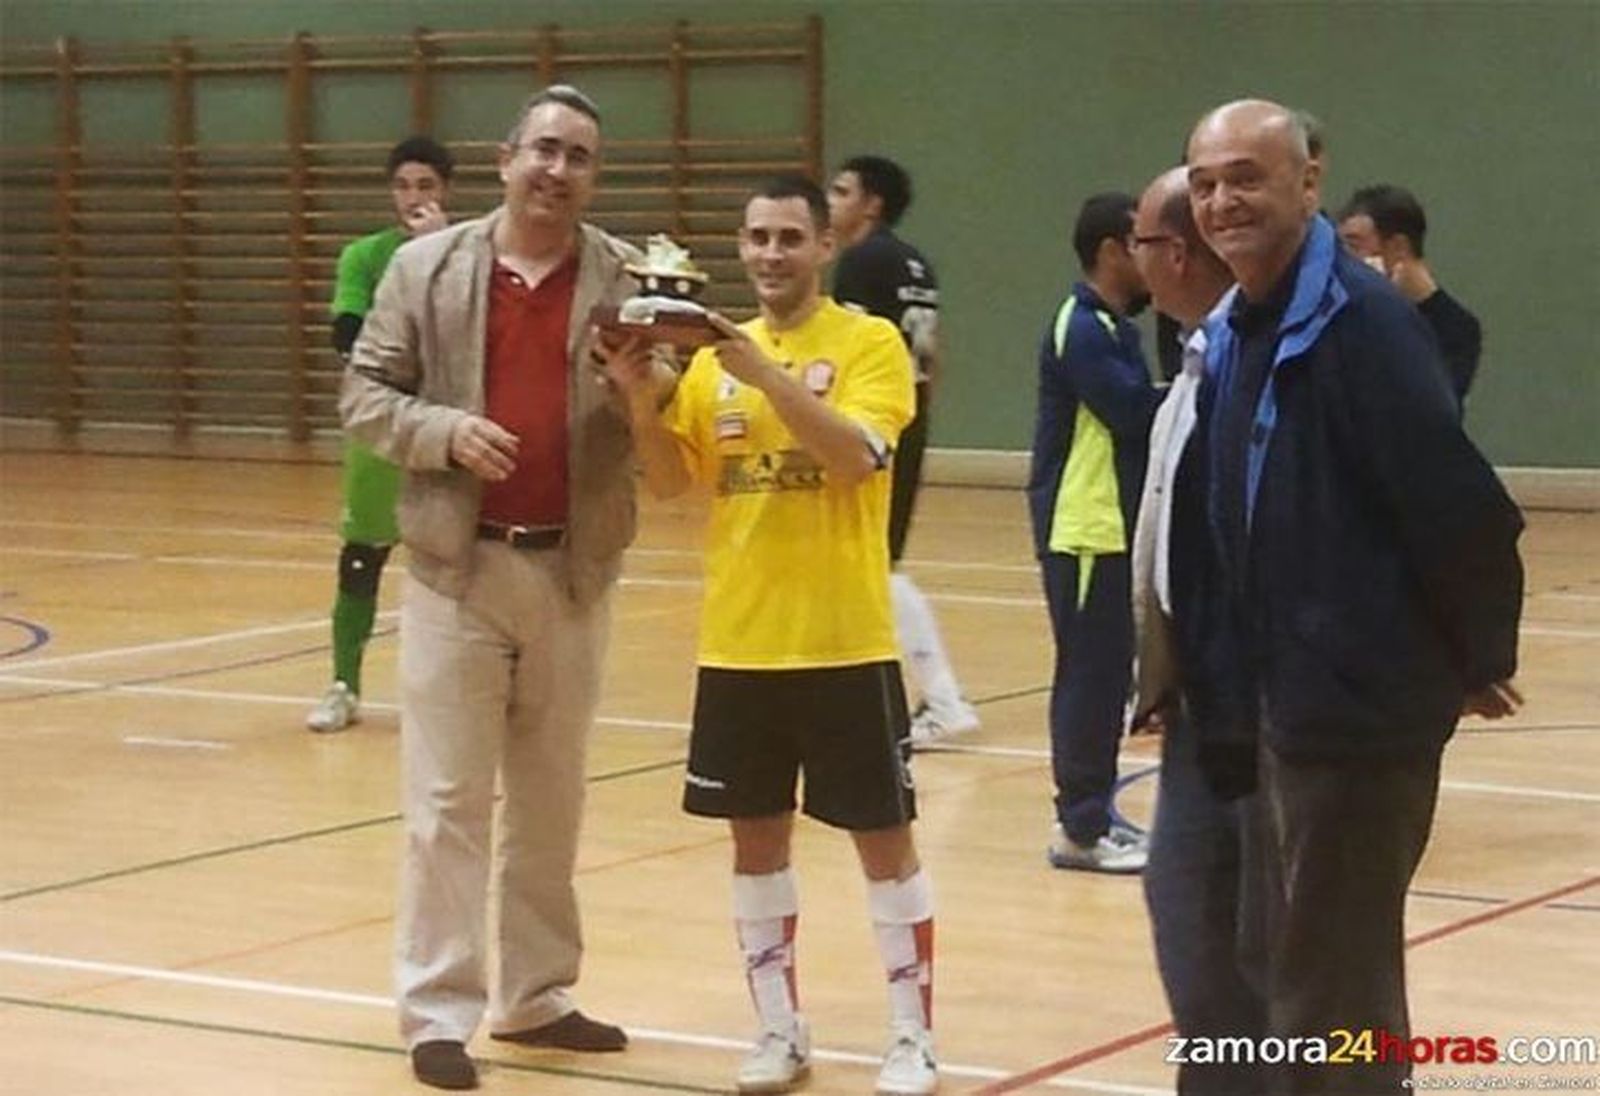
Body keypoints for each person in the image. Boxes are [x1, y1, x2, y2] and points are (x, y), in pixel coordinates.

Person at [1186, 99, 1524, 1094]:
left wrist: (1475, 655)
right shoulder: (1248, 319)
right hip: (1282, 698)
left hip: (1356, 707)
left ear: (1307, 182)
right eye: (1204, 181)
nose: (1220, 200)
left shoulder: (1354, 324)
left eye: (1244, 176)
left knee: (1327, 992)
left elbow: (1460, 506)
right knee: (1320, 977)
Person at [342, 85, 656, 1091]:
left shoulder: (628, 279)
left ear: (593, 178)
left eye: (580, 158)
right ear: (505, 158)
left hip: (574, 569)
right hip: (455, 565)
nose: (558, 171)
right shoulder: (423, 266)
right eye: (545, 150)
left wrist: (645, 389)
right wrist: (441, 432)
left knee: (552, 799)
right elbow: (364, 392)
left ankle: (537, 994)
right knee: (446, 800)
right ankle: (438, 1010)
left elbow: (670, 411)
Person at [597, 175, 938, 1096]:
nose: (772, 254)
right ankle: (779, 1031)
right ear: (739, 249)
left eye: (791, 237)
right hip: (740, 647)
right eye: (757, 238)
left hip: (844, 643)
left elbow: (855, 457)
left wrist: (762, 372)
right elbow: (673, 482)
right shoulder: (707, 367)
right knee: (755, 848)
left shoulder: (869, 344)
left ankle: (911, 1035)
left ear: (826, 246)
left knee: (885, 844)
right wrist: (639, 397)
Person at [1128, 166, 1268, 1095]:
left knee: (1275, 957)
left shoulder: (1254, 368)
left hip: (1266, 716)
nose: (1133, 259)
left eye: (1140, 241)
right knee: (1190, 921)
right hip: (1197, 710)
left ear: (1174, 256)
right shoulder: (1191, 364)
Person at [1026, 192, 1161, 874]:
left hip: (1112, 527)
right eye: (1145, 243)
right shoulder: (1079, 327)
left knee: (1109, 677)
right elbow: (1133, 414)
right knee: (1090, 676)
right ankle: (1079, 829)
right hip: (1085, 529)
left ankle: (1095, 815)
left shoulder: (1113, 329)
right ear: (1113, 250)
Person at [827, 154, 979, 746]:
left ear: (872, 204)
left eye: (841, 191)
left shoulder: (863, 262)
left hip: (870, 427)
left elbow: (846, 351)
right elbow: (933, 353)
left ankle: (943, 699)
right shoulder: (916, 262)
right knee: (869, 565)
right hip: (909, 417)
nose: (831, 201)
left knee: (873, 563)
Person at [306, 135, 453, 733]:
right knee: (362, 558)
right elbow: (349, 336)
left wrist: (436, 250)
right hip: (384, 429)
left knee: (456, 565)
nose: (413, 197)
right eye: (403, 185)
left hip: (447, 430)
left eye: (426, 186)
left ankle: (454, 694)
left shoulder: (469, 252)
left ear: (445, 190)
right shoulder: (364, 256)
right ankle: (343, 684)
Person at [1338, 184, 1484, 406]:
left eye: (1354, 246)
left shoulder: (1457, 330)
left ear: (1398, 247)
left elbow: (1426, 409)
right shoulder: (1341, 315)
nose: (1345, 259)